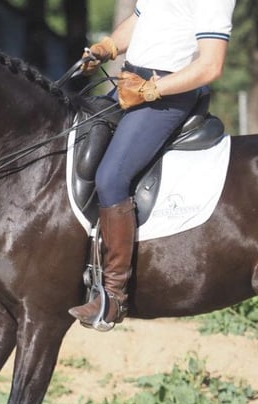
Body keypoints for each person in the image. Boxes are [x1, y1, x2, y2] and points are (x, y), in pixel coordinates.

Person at [68, 0, 236, 329]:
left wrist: (150, 91)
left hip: (169, 94)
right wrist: (108, 47)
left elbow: (211, 66)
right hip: (132, 82)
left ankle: (113, 297)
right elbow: (142, 18)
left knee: (112, 178)